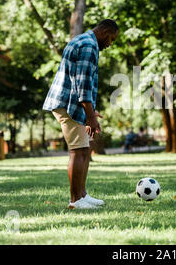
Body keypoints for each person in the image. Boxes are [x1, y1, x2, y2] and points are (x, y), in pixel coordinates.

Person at [43, 19, 119, 209]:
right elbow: (82, 83)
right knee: (77, 151)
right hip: (68, 104)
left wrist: (91, 111)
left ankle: (82, 195)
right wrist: (90, 116)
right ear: (104, 32)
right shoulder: (88, 45)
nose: (110, 44)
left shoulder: (84, 41)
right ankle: (75, 200)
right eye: (111, 39)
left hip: (72, 103)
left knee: (84, 149)